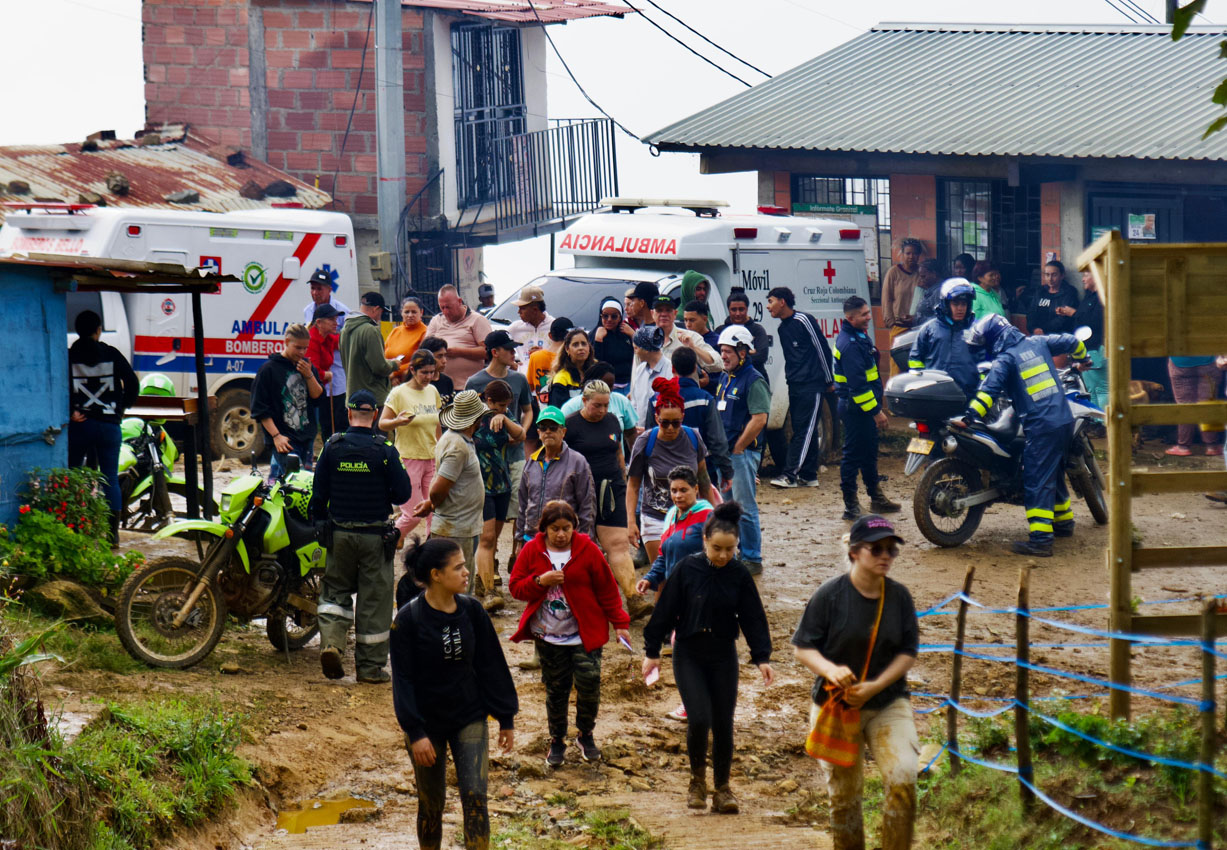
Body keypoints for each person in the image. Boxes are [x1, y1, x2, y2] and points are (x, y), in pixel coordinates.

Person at [791, 514, 919, 850]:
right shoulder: (829, 595)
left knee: (903, 779)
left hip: (888, 702)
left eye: (892, 550)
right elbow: (803, 648)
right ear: (854, 553)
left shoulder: (900, 597)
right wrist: (831, 670)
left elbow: (907, 652)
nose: (885, 557)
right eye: (876, 549)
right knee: (845, 798)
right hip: (837, 705)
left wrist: (875, 687)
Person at [642, 502, 773, 815]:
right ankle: (697, 781)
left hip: (723, 654)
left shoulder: (739, 574)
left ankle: (723, 788)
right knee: (699, 718)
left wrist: (762, 657)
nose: (724, 556)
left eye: (730, 549)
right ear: (705, 541)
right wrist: (652, 652)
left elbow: (753, 617)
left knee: (724, 723)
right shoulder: (686, 569)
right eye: (717, 548)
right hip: (689, 653)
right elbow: (664, 612)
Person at [390, 537, 518, 850]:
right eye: (458, 567)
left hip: (469, 715)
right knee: (431, 803)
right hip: (426, 723)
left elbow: (491, 664)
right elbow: (402, 681)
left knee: (475, 797)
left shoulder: (472, 611)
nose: (466, 572)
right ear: (436, 574)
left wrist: (505, 717)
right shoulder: (407, 621)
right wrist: (415, 731)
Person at [509, 500, 630, 767]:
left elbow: (607, 590)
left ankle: (586, 734)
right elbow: (515, 587)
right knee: (556, 689)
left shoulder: (588, 550)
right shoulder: (532, 550)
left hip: (584, 634)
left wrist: (620, 623)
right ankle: (557, 740)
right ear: (544, 529)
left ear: (575, 527)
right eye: (555, 529)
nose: (561, 534)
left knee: (589, 685)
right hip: (549, 636)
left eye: (566, 528)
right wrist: (541, 581)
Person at [962, 313, 1090, 556]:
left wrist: (969, 416)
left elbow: (988, 392)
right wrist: (1084, 359)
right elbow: (1073, 342)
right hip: (1064, 420)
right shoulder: (1038, 342)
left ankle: (1040, 540)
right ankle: (1063, 523)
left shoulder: (1005, 359)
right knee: (1055, 471)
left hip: (1041, 426)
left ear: (993, 340)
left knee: (1037, 479)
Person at [311, 389, 413, 683]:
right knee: (374, 602)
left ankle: (331, 644)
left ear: (348, 413)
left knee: (334, 593)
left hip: (339, 535)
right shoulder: (385, 450)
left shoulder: (332, 446)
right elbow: (404, 493)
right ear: (376, 415)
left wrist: (319, 522)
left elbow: (318, 495)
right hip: (375, 539)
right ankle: (369, 669)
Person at [563, 379, 649, 618]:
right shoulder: (570, 425)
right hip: (581, 492)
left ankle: (632, 598)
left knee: (619, 544)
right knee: (581, 548)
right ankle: (582, 602)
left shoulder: (612, 421)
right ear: (584, 401)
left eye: (605, 405)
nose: (602, 410)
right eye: (596, 405)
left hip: (612, 488)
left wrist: (623, 478)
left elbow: (619, 452)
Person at [67, 309, 139, 542]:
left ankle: (75, 528)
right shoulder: (111, 354)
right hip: (109, 426)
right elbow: (132, 384)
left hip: (80, 425)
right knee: (109, 477)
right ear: (98, 330)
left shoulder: (68, 356)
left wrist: (70, 411)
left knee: (73, 475)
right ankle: (112, 536)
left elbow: (57, 385)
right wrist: (119, 409)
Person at [627, 377, 713, 563]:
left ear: (683, 417)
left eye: (676, 422)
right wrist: (631, 522)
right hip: (654, 518)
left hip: (690, 517)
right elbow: (633, 486)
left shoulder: (693, 437)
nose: (671, 428)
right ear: (656, 417)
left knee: (689, 573)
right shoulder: (645, 442)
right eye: (665, 423)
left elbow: (704, 481)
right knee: (662, 577)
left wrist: (713, 518)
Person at [467, 331, 535, 562]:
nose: (514, 353)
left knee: (518, 505)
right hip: (486, 455)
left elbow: (528, 410)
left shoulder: (519, 379)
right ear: (495, 352)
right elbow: (468, 418)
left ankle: (516, 554)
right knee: (490, 511)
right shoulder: (475, 382)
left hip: (514, 452)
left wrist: (521, 432)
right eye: (509, 349)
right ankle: (491, 557)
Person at [834, 296, 900, 520]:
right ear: (849, 318)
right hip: (856, 409)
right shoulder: (850, 344)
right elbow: (858, 385)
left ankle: (876, 497)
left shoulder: (859, 336)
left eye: (868, 313)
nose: (869, 317)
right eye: (863, 315)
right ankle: (850, 505)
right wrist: (876, 412)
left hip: (862, 407)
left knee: (869, 453)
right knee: (852, 455)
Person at [412, 390, 488, 578]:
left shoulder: (455, 439)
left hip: (459, 525)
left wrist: (430, 505)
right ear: (475, 420)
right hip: (456, 528)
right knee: (456, 586)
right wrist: (433, 502)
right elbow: (438, 489)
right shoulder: (458, 447)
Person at [766, 286, 836, 489]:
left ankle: (789, 475)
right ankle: (808, 474)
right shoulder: (782, 329)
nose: (768, 307)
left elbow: (822, 348)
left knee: (803, 431)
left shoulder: (804, 320)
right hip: (794, 385)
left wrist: (828, 380)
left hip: (812, 384)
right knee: (804, 429)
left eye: (771, 302)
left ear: (782, 302)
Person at [642, 347, 734, 497]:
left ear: (672, 368)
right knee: (699, 516)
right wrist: (726, 471)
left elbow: (649, 437)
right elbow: (717, 441)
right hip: (699, 472)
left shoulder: (657, 400)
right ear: (695, 368)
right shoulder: (705, 399)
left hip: (664, 473)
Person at [715, 325, 769, 575]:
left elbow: (759, 419)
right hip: (726, 456)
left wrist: (738, 449)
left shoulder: (754, 379)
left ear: (743, 352)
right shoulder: (726, 377)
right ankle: (734, 551)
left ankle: (752, 558)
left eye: (728, 351)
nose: (723, 356)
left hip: (741, 455)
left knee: (745, 507)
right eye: (722, 351)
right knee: (725, 507)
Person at [381, 349, 444, 543]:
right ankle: (388, 540)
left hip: (431, 457)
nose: (428, 377)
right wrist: (397, 422)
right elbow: (382, 423)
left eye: (432, 372)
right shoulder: (399, 393)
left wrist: (442, 449)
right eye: (424, 372)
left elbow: (437, 423)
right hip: (408, 458)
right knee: (414, 512)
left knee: (434, 511)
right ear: (412, 370)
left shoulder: (433, 391)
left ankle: (431, 552)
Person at [472, 379, 525, 601]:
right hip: (481, 485)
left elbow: (520, 435)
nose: (504, 409)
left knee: (494, 538)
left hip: (502, 483)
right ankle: (490, 590)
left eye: (507, 406)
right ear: (489, 400)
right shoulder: (473, 415)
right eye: (501, 405)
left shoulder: (503, 416)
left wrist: (503, 416)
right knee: (487, 537)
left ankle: (482, 579)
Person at [251, 323, 324, 479]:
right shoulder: (268, 369)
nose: (302, 352)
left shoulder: (307, 367)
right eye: (298, 348)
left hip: (307, 438)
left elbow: (318, 396)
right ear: (286, 342)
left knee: (304, 484)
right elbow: (260, 408)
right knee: (283, 484)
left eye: (305, 348)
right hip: (284, 439)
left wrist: (309, 375)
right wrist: (276, 436)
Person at [516, 406, 597, 543]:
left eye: (553, 427)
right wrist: (519, 539)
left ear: (563, 431)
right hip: (532, 539)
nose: (548, 431)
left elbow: (587, 505)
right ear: (538, 432)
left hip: (564, 538)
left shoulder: (578, 462)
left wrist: (585, 540)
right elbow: (523, 505)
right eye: (543, 427)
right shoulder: (531, 462)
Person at [637, 466, 713, 595]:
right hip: (676, 589)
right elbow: (664, 555)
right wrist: (649, 578)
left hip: (701, 591)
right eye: (674, 491)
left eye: (683, 490)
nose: (678, 496)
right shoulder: (671, 515)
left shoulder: (708, 516)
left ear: (695, 489)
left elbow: (722, 557)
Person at [906, 279, 979, 398]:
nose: (960, 308)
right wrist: (922, 384)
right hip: (936, 394)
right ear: (946, 305)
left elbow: (986, 361)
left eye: (963, 304)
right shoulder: (929, 329)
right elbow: (915, 359)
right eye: (955, 304)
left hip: (968, 395)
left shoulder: (978, 330)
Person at [560, 362, 641, 450]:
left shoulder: (621, 402)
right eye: (597, 405)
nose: (608, 390)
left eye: (611, 386)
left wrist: (635, 458)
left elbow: (631, 433)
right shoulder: (570, 408)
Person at [340, 291, 399, 407]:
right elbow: (379, 367)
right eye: (381, 312)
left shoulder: (344, 330)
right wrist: (394, 364)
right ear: (376, 309)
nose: (380, 317)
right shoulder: (371, 330)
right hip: (372, 400)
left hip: (352, 398)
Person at [426, 284, 492, 386]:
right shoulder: (436, 320)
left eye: (449, 307)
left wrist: (458, 352)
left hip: (468, 387)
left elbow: (489, 351)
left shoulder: (477, 320)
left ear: (459, 301)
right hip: (440, 386)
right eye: (442, 307)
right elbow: (425, 350)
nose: (445, 312)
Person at [880, 237, 925, 376]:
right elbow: (886, 299)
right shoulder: (894, 273)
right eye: (908, 253)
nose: (911, 257)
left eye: (915, 254)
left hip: (917, 327)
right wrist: (891, 322)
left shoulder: (922, 273)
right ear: (902, 254)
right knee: (897, 367)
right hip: (899, 327)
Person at [1165, 354, 1223, 456]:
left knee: (1185, 406)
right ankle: (1212, 446)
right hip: (1208, 362)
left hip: (1180, 362)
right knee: (1208, 404)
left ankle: (1183, 447)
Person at [307, 302, 347, 442]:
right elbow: (313, 370)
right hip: (311, 389)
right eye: (331, 319)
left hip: (322, 388)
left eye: (336, 319)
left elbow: (342, 341)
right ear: (318, 322)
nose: (336, 323)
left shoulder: (328, 337)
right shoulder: (312, 340)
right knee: (325, 425)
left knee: (337, 421)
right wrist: (326, 375)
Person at [649, 294, 720, 373]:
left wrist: (694, 348)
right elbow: (637, 374)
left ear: (675, 314)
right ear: (652, 313)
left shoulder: (691, 337)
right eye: (659, 310)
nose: (664, 314)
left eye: (668, 310)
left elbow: (718, 365)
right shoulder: (645, 339)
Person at [1069, 269, 1107, 409]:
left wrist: (1074, 313)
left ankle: (1105, 424)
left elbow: (1097, 321)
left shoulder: (1103, 297)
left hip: (1097, 348)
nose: (1083, 279)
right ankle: (1096, 422)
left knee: (1102, 389)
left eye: (1086, 275)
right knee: (1091, 389)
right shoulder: (1089, 296)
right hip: (1086, 349)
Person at [717, 289, 770, 375]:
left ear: (747, 309)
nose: (737, 313)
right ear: (728, 310)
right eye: (734, 310)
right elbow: (717, 358)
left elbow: (762, 357)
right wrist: (748, 353)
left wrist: (733, 358)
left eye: (741, 309)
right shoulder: (720, 331)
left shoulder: (757, 330)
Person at [629, 325, 672, 425]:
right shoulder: (640, 369)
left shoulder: (670, 370)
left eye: (636, 348)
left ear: (646, 349)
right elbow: (635, 404)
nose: (635, 353)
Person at [591, 297, 635, 392]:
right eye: (605, 316)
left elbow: (641, 354)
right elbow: (595, 363)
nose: (609, 320)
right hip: (606, 388)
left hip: (629, 385)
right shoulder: (595, 335)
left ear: (620, 317)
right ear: (600, 316)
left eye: (614, 316)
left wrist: (633, 335)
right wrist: (598, 340)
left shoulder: (626, 332)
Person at [1027, 261, 1080, 336]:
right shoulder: (1040, 291)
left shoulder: (1069, 292)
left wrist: (1043, 330)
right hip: (1037, 334)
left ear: (1062, 275)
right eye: (1047, 275)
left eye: (1054, 275)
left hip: (1059, 336)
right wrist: (1034, 328)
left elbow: (1063, 319)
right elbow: (1031, 312)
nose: (1050, 279)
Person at [547, 328, 596, 409]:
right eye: (575, 345)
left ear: (589, 347)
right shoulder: (561, 378)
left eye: (584, 344)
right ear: (567, 349)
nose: (581, 348)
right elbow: (559, 409)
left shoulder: (596, 372)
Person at [506, 284, 554, 365]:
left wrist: (543, 355)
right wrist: (511, 364)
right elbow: (496, 345)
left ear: (535, 309)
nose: (519, 312)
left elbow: (565, 356)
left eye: (522, 308)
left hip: (548, 377)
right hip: (523, 377)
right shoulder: (515, 328)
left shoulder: (554, 326)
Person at [527, 317, 572, 401]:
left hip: (543, 411)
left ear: (550, 335)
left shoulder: (535, 356)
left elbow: (529, 388)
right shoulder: (571, 357)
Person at [385, 296, 428, 383]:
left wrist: (395, 374)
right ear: (401, 313)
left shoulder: (425, 332)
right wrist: (392, 376)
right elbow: (383, 354)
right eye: (407, 312)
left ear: (421, 312)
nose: (410, 315)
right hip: (389, 379)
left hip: (411, 381)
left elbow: (421, 359)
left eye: (414, 312)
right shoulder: (395, 331)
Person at [419, 336, 454, 402]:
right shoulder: (416, 382)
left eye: (445, 356)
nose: (444, 361)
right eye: (439, 356)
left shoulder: (447, 381)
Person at [908, 258, 943, 323]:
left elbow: (939, 320)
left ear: (934, 274)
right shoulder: (930, 290)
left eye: (923, 276)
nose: (921, 279)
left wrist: (916, 320)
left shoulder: (939, 292)